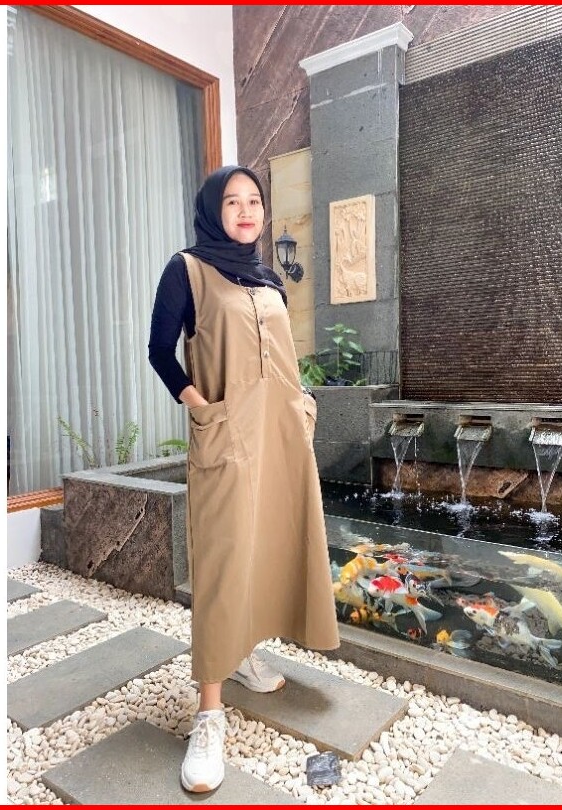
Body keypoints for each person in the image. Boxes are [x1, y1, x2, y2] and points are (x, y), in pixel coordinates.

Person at [148, 165, 340, 793]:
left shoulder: (268, 279)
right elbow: (159, 350)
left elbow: (279, 354)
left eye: (254, 200)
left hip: (281, 432)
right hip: (228, 434)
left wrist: (302, 402)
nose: (246, 210)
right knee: (224, 559)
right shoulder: (187, 269)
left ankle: (244, 655)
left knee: (270, 545)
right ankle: (209, 715)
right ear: (213, 210)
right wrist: (199, 405)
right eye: (232, 201)